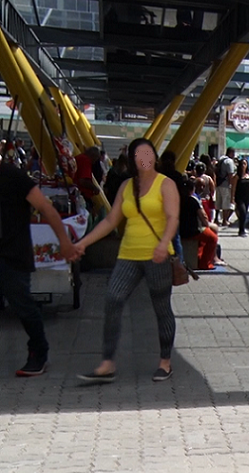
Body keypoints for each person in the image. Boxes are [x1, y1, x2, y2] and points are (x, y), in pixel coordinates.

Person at [75, 138, 180, 383]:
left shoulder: (166, 185)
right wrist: (84, 242)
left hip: (158, 255)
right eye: (139, 155)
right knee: (113, 299)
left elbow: (173, 218)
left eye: (148, 153)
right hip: (129, 255)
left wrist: (164, 244)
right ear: (132, 160)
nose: (145, 158)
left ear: (154, 156)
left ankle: (165, 361)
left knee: (161, 307)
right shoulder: (126, 186)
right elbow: (111, 220)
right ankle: (107, 363)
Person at [1, 159, 80, 376]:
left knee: (22, 304)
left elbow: (46, 207)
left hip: (12, 254)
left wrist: (64, 241)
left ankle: (39, 350)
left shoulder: (13, 176)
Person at [180, 179, 221, 269]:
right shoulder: (193, 201)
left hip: (179, 230)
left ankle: (199, 257)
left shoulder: (176, 199)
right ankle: (206, 263)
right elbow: (204, 217)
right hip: (193, 231)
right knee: (213, 238)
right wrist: (207, 224)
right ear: (192, 189)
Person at [232, 157, 249, 237]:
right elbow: (234, 187)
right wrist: (232, 198)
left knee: (245, 213)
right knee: (242, 212)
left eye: (245, 164)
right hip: (239, 197)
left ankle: (242, 227)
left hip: (248, 197)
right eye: (242, 164)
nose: (243, 165)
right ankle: (241, 230)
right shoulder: (237, 176)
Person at [215, 148, 237, 227]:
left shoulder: (221, 159)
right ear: (231, 153)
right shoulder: (229, 162)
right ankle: (224, 220)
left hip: (218, 184)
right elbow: (230, 175)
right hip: (226, 185)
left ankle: (216, 219)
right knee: (226, 204)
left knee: (218, 203)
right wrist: (232, 185)